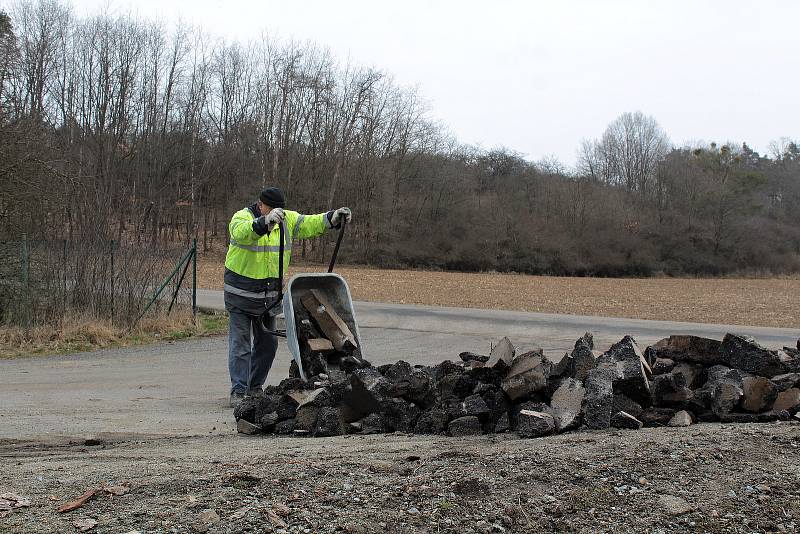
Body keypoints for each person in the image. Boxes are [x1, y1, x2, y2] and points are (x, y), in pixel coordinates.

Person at [224, 186, 352, 407]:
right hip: (241, 297)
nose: (276, 214)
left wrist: (333, 217)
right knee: (241, 345)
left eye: (278, 210)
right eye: (271, 209)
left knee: (268, 345)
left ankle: (253, 388)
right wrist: (264, 223)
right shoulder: (242, 217)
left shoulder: (287, 220)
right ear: (260, 205)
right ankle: (238, 391)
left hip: (268, 298)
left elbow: (311, 222)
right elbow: (242, 233)